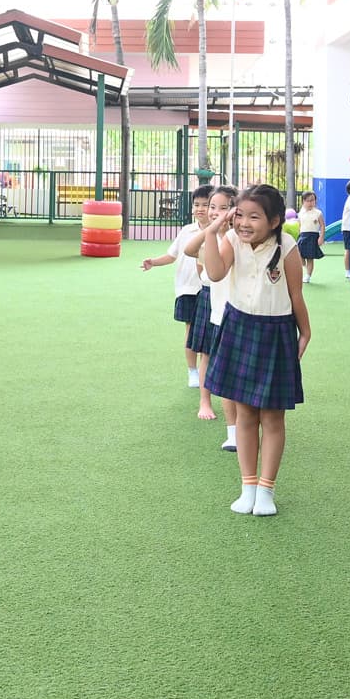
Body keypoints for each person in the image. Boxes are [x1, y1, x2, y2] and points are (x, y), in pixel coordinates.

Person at [200, 183, 310, 517]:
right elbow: (216, 273)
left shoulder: (287, 246)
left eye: (254, 217)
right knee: (245, 413)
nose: (245, 223)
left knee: (273, 417)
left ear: (275, 221)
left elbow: (295, 295)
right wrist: (213, 232)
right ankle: (247, 486)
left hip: (275, 332)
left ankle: (266, 490)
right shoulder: (232, 239)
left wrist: (305, 332)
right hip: (238, 328)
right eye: (241, 215)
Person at [139, 185, 211, 404]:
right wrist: (153, 262)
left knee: (208, 333)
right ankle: (192, 371)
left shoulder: (220, 232)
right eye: (197, 205)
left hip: (209, 289)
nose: (200, 209)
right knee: (190, 331)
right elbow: (172, 256)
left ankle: (205, 371)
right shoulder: (186, 231)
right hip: (187, 289)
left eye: (206, 205)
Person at [186, 185, 239, 447]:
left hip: (238, 310)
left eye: (223, 207)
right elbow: (188, 250)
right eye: (212, 207)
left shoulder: (240, 236)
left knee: (235, 368)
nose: (216, 212)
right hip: (215, 305)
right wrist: (212, 228)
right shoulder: (209, 236)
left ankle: (242, 424)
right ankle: (206, 401)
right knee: (208, 354)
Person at [294, 192, 326, 283]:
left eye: (312, 200)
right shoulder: (300, 213)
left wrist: (321, 237)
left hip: (312, 236)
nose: (310, 203)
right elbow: (299, 226)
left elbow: (322, 225)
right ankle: (304, 267)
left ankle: (308, 275)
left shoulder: (318, 213)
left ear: (315, 201)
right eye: (307, 201)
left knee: (310, 257)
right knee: (299, 254)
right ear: (303, 202)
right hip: (302, 236)